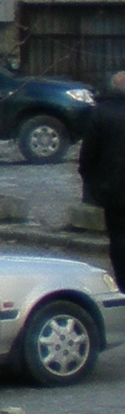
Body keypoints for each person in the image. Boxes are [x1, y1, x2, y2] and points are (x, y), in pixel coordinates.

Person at [77, 69, 125, 291]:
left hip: (113, 190)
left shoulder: (102, 113)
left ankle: (123, 283)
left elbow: (88, 154)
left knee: (118, 239)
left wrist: (89, 178)